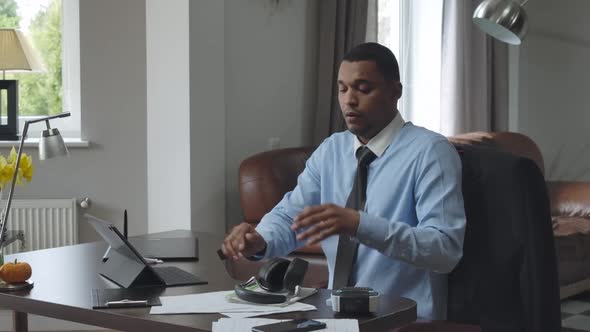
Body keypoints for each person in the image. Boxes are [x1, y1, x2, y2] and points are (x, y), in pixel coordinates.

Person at [220, 42, 466, 320]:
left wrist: (360, 224)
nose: (349, 100)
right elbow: (292, 216)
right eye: (342, 88)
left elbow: (445, 250)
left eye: (363, 89)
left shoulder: (430, 152)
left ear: (395, 92)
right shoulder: (331, 151)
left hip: (404, 320)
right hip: (336, 317)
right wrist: (259, 241)